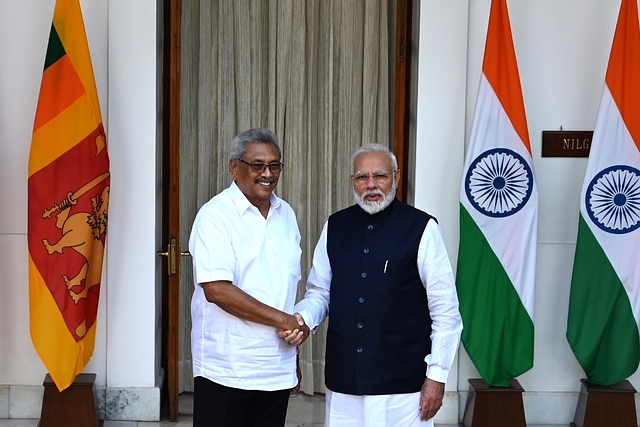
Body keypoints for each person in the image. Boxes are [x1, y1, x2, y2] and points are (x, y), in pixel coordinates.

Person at [289, 143, 463, 426]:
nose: (371, 185)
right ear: (352, 181)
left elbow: (445, 310)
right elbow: (320, 292)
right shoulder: (335, 226)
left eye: (379, 176)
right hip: (344, 378)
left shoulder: (422, 228)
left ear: (395, 178)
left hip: (403, 385)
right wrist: (303, 319)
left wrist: (437, 376)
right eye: (361, 177)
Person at [189, 127, 309, 427]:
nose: (267, 173)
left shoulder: (286, 215)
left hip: (274, 370)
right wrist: (285, 321)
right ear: (234, 167)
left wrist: (291, 358)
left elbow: (282, 291)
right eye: (257, 165)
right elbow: (217, 290)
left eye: (274, 165)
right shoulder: (215, 215)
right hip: (226, 370)